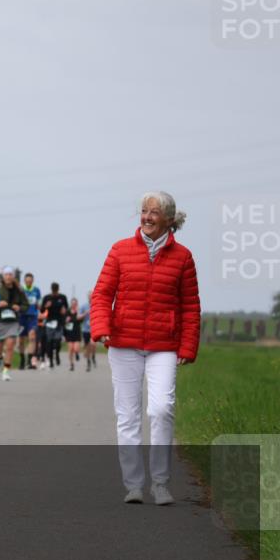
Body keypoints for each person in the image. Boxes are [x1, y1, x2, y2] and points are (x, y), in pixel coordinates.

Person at [92, 191, 200, 506]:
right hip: (123, 342)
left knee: (161, 409)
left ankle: (161, 483)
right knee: (127, 415)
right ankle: (135, 485)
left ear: (169, 219)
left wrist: (188, 345)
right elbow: (102, 294)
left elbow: (191, 307)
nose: (147, 217)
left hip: (163, 345)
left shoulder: (183, 257)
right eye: (143, 211)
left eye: (154, 212)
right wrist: (101, 328)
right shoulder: (120, 250)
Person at [0, 267, 28, 382]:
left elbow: (26, 305)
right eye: (6, 274)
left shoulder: (19, 290)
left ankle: (6, 371)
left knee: (11, 344)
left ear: (13, 277)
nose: (8, 277)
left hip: (13, 321)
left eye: (10, 274)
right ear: (3, 276)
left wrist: (19, 308)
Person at [39, 282, 68, 368]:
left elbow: (66, 308)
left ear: (58, 289)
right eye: (53, 290)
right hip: (49, 322)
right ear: (51, 289)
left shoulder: (62, 297)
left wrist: (64, 311)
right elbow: (41, 310)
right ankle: (51, 360)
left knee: (58, 340)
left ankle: (57, 353)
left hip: (59, 322)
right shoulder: (47, 298)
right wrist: (46, 306)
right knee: (49, 342)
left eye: (56, 290)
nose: (54, 291)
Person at [18, 272, 41, 370]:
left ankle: (30, 360)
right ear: (24, 281)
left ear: (32, 281)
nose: (28, 282)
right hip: (22, 317)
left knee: (32, 337)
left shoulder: (36, 290)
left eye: (30, 281)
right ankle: (22, 359)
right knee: (21, 340)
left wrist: (39, 307)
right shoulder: (20, 290)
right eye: (27, 281)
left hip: (32, 317)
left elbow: (38, 302)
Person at [64, 298, 84, 371]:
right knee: (70, 349)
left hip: (77, 332)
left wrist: (78, 312)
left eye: (75, 303)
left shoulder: (78, 312)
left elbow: (81, 320)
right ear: (71, 304)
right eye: (72, 303)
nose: (74, 305)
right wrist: (66, 320)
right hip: (69, 333)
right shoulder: (67, 312)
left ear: (77, 304)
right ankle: (71, 364)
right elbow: (64, 322)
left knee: (76, 348)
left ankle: (77, 354)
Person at [81, 290, 95, 371]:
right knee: (87, 346)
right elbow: (78, 317)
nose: (91, 297)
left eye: (92, 295)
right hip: (85, 329)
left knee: (92, 344)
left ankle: (91, 357)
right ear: (88, 297)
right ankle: (88, 361)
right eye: (90, 295)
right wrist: (85, 313)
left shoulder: (96, 305)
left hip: (93, 329)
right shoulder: (84, 306)